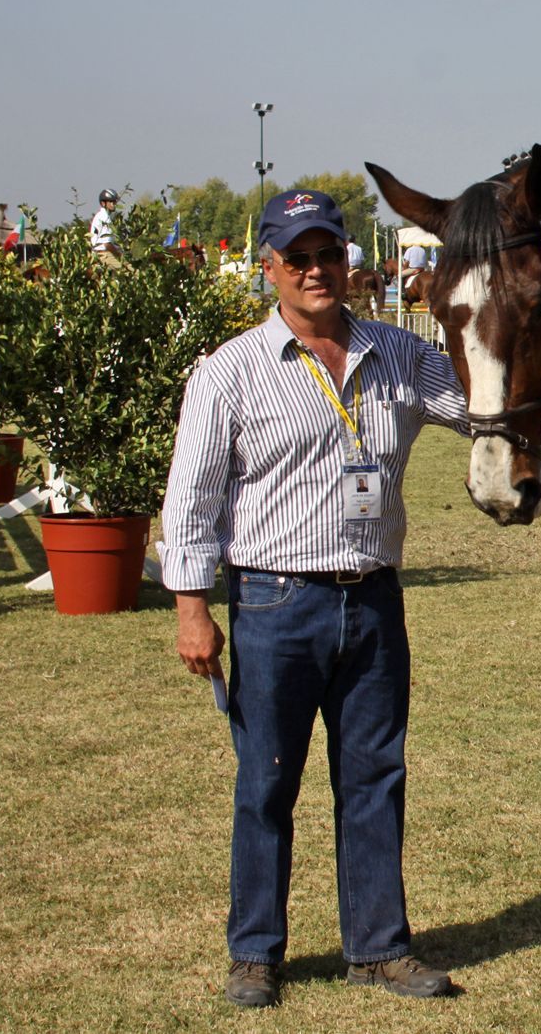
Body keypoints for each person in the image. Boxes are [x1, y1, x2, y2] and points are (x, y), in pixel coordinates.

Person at [159, 188, 468, 1009]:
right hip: (273, 602)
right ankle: (255, 953)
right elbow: (190, 499)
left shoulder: (402, 355)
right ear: (270, 270)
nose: (316, 270)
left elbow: (487, 404)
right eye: (297, 258)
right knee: (266, 781)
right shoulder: (228, 374)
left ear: (348, 261)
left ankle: (379, 948)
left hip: (372, 602)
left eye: (328, 252)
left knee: (375, 776)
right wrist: (194, 607)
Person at [89, 188, 120, 263]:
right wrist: (119, 255)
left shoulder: (106, 216)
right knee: (130, 272)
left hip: (103, 253)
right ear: (103, 203)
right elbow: (107, 244)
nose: (114, 204)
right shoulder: (104, 218)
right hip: (104, 254)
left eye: (115, 201)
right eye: (111, 202)